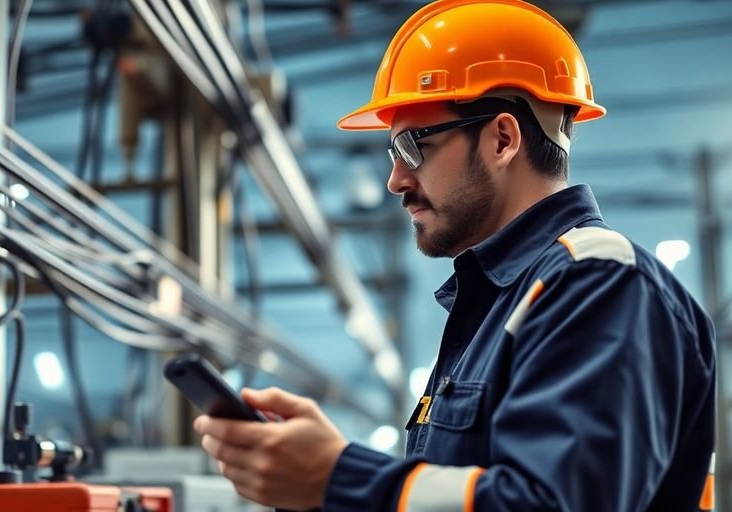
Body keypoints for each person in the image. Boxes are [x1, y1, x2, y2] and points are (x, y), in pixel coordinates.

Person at [191, 0, 717, 510]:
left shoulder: (599, 285)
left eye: (413, 148)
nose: (396, 180)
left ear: (503, 139)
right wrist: (316, 484)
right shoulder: (501, 305)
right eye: (392, 153)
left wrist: (339, 476)